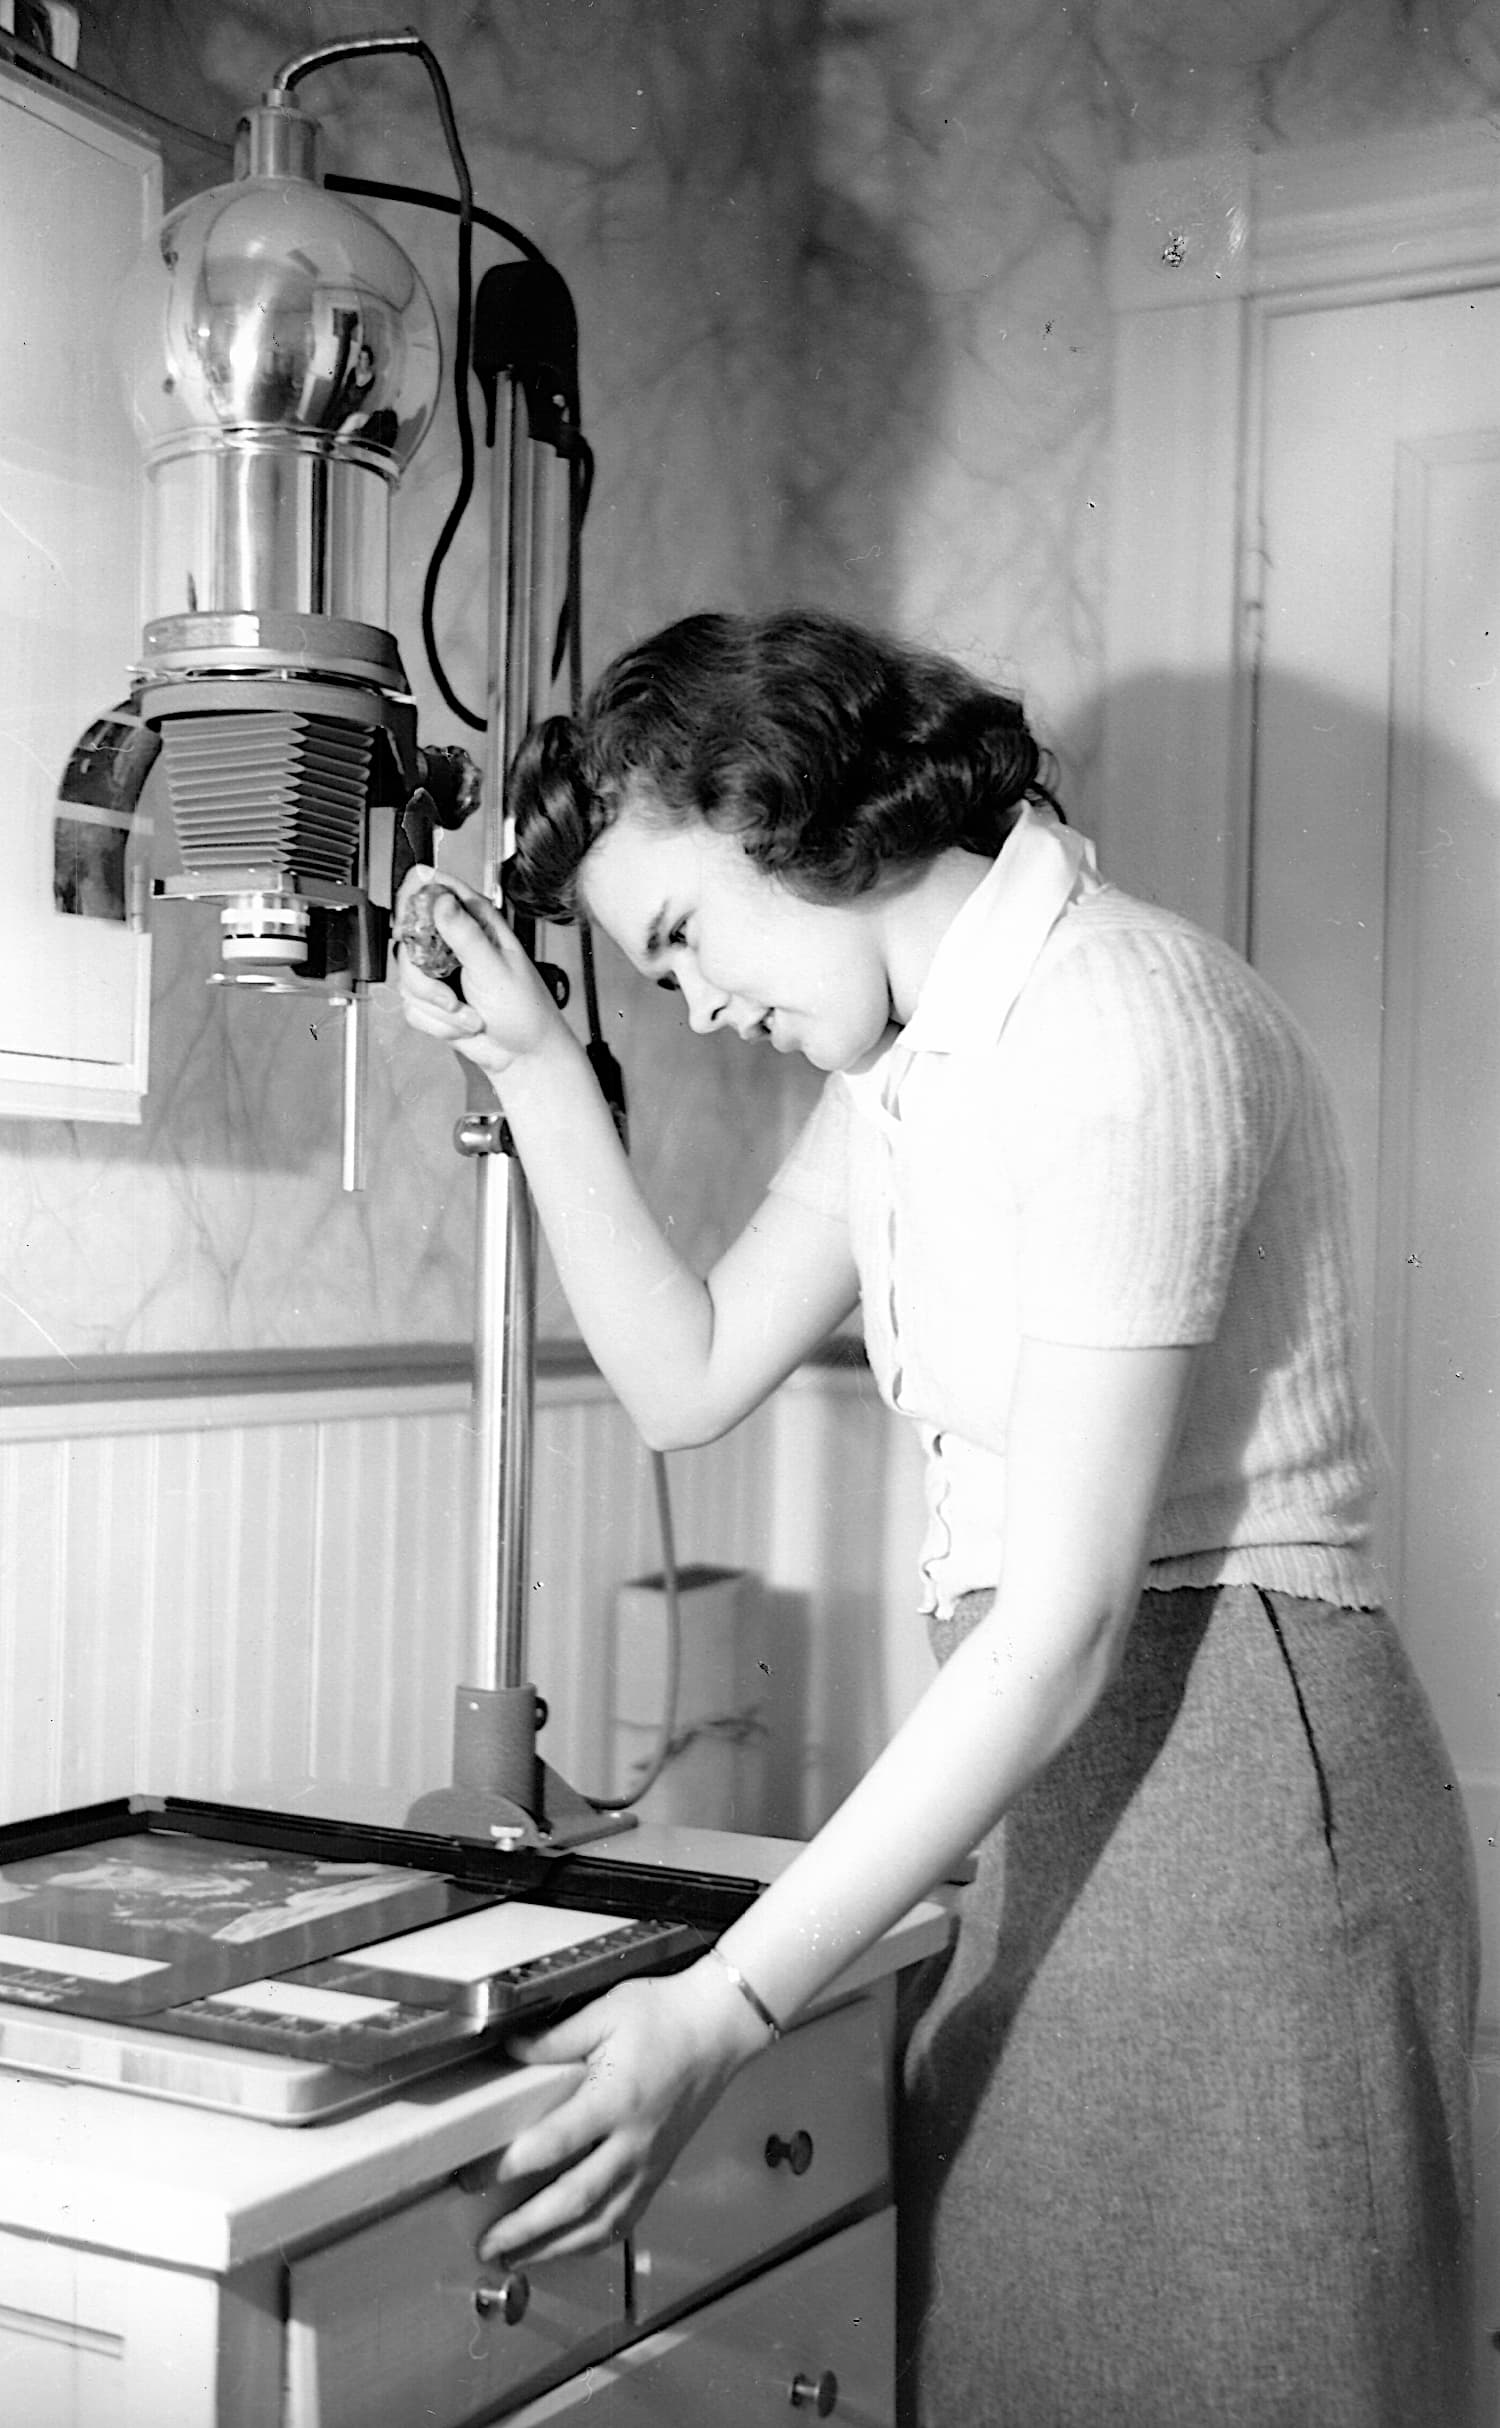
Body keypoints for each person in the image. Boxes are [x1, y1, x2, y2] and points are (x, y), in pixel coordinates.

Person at [396, 608, 1479, 2427]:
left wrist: (723, 2013)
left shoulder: (1126, 1015)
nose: (699, 1006)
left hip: (1234, 1777)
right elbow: (688, 1372)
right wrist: (525, 1066)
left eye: (681, 936)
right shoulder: (902, 1069)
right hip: (1060, 1770)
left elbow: (1061, 1631)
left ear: (795, 810)